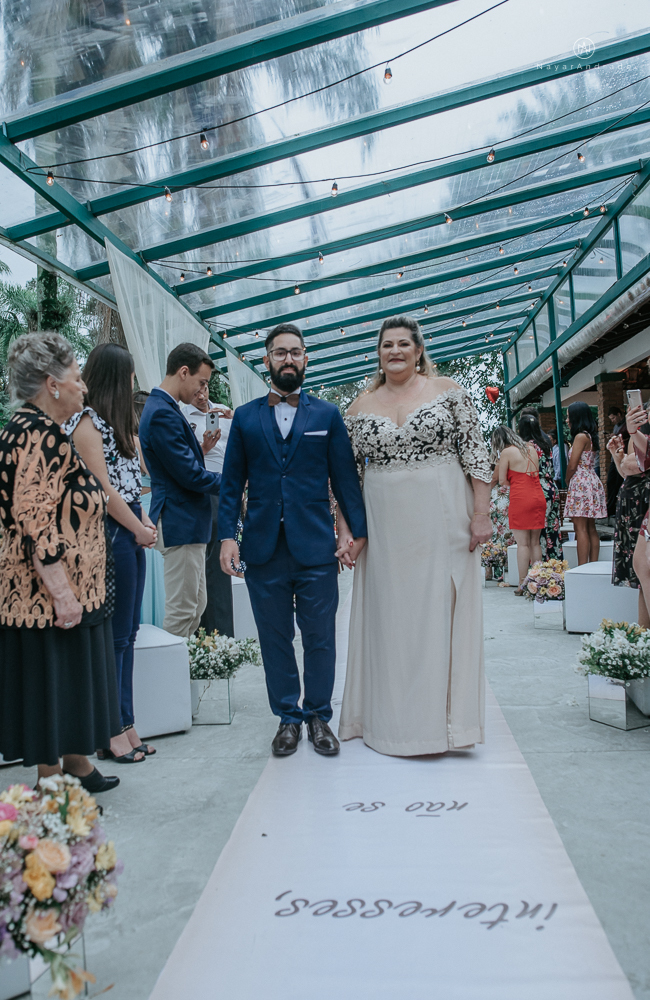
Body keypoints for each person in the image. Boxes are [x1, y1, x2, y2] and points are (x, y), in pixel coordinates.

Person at [339, 316, 492, 756]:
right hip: (384, 523)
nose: (395, 351)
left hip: (444, 513)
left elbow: (476, 455)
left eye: (404, 343)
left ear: (419, 349)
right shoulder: (358, 406)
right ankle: (389, 723)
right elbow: (345, 479)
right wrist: (347, 530)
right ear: (379, 352)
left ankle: (443, 725)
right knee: (392, 616)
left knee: (442, 608)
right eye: (387, 344)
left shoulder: (449, 392)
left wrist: (481, 514)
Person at [218, 323, 367, 758]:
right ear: (267, 361)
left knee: (320, 635)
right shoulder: (245, 418)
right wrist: (228, 535)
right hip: (263, 547)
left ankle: (319, 715)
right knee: (274, 636)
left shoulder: (327, 415)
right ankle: (287, 717)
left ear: (306, 359)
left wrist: (356, 533)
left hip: (316, 546)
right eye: (280, 353)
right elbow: (231, 484)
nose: (288, 359)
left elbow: (345, 481)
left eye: (295, 353)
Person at [0, 332, 120, 792]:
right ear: (52, 384)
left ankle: (75, 764)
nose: (83, 388)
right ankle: (51, 785)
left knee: (69, 683)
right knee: (53, 687)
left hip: (52, 591)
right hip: (44, 597)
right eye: (75, 379)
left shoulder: (38, 428)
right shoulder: (36, 434)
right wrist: (63, 594)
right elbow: (34, 519)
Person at [67, 344, 158, 764]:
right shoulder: (86, 424)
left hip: (129, 534)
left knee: (129, 635)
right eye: (131, 376)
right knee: (116, 639)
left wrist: (144, 523)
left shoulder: (117, 426)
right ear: (116, 378)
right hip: (108, 536)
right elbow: (102, 492)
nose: (134, 383)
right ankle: (111, 730)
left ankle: (127, 721)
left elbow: (128, 484)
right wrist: (138, 527)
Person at [139, 344, 221, 637]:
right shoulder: (162, 412)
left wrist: (201, 450)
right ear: (184, 372)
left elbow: (178, 464)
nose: (203, 391)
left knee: (196, 606)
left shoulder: (167, 408)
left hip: (187, 522)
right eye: (202, 382)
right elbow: (188, 475)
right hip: (180, 521)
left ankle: (184, 677)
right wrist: (234, 481)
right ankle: (170, 680)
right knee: (182, 610)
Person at [181, 387, 235, 636]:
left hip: (227, 487)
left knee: (224, 557)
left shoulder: (224, 413)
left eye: (203, 388)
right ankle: (206, 632)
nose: (200, 394)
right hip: (204, 488)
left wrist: (236, 419)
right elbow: (183, 462)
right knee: (208, 561)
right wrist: (202, 448)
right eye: (196, 390)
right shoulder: (182, 416)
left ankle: (224, 632)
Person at [491, 425, 547, 595]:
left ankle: (523, 583)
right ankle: (538, 581)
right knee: (535, 542)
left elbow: (502, 481)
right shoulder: (531, 448)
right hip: (538, 495)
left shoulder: (506, 453)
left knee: (522, 543)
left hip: (521, 498)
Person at [607, 408, 650, 627]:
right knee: (642, 573)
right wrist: (619, 458)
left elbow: (636, 465)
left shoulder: (639, 436)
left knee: (644, 567)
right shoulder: (639, 434)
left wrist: (627, 460)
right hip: (633, 508)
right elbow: (628, 469)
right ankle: (645, 634)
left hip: (642, 505)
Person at [134, 390, 166, 628]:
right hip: (148, 507)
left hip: (139, 505)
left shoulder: (122, 438)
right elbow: (155, 472)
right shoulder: (138, 440)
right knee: (153, 571)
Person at [563, 401, 607, 564]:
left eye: (569, 417)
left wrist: (568, 480)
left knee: (580, 528)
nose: (567, 420)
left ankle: (582, 566)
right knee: (591, 528)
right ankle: (593, 564)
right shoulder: (590, 435)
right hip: (591, 481)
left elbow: (573, 465)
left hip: (581, 482)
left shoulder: (580, 437)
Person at [518, 411, 562, 560]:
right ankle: (554, 567)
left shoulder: (526, 447)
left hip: (536, 488)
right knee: (553, 528)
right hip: (551, 487)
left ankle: (539, 569)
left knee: (536, 535)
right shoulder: (545, 444)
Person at [606, 405, 628, 516]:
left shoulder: (627, 425)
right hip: (615, 457)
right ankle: (610, 508)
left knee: (620, 482)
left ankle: (617, 507)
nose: (613, 421)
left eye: (613, 418)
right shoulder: (616, 427)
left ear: (619, 415)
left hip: (624, 455)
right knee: (610, 482)